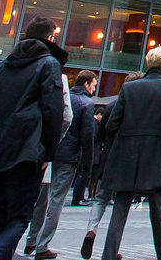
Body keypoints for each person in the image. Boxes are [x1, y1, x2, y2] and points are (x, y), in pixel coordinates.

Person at [0, 20, 68, 260]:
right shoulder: (49, 65)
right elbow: (53, 110)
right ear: (50, 38)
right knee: (20, 218)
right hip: (25, 152)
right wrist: (48, 153)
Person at [90, 45, 161, 260]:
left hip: (127, 155)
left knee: (120, 208)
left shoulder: (130, 88)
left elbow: (112, 124)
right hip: (156, 156)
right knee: (158, 213)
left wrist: (123, 144)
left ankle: (108, 255)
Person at [25, 73, 97, 259]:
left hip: (50, 152)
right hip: (69, 156)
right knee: (56, 201)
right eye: (93, 85)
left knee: (42, 199)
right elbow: (87, 136)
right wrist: (87, 162)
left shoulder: (63, 96)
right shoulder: (87, 104)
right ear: (86, 84)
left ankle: (31, 239)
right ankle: (42, 245)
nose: (94, 89)